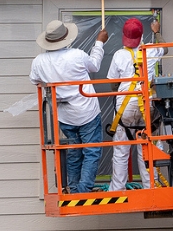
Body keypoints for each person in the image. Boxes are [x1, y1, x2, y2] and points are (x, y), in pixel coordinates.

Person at [29, 20, 108, 194]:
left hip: (63, 114)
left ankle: (74, 188)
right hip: (86, 111)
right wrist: (99, 43)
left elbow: (34, 80)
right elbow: (95, 65)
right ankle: (83, 190)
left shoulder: (38, 61)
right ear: (66, 37)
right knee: (92, 152)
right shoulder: (76, 55)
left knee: (73, 151)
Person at [107, 18, 166, 191]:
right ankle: (151, 187)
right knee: (147, 148)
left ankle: (117, 189)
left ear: (124, 36)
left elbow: (113, 84)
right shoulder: (151, 50)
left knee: (121, 150)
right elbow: (165, 47)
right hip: (148, 106)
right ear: (141, 35)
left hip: (125, 107)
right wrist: (156, 31)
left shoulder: (119, 55)